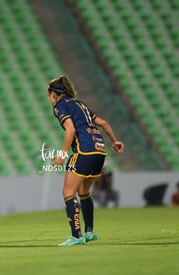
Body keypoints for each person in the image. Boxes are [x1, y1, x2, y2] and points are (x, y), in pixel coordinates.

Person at [46, 76, 124, 247]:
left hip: (84, 150)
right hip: (100, 150)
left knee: (68, 192)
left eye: (49, 95)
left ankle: (76, 236)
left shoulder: (60, 106)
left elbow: (71, 130)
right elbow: (103, 123)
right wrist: (114, 141)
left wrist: (60, 155)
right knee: (83, 191)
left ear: (53, 94)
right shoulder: (80, 104)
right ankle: (89, 232)